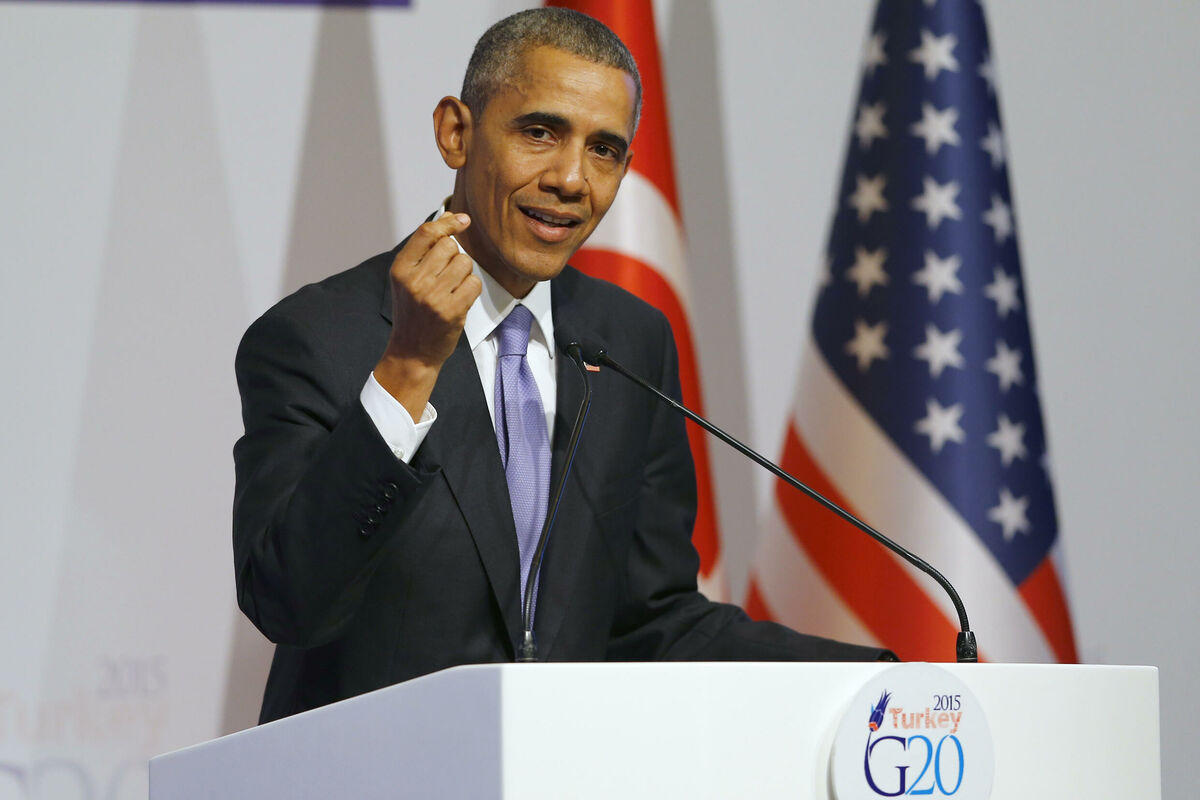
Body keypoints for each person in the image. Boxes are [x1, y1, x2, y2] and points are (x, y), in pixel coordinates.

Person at [233, 7, 888, 724]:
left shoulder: (631, 340)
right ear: (456, 133)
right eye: (540, 132)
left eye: (604, 149)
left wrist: (885, 678)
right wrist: (409, 368)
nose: (572, 178)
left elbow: (653, 621)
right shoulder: (315, 338)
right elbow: (288, 602)